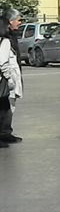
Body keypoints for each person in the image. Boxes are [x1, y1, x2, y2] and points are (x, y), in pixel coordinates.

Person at [0, 8, 23, 147]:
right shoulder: (5, 39)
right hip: (6, 80)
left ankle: (6, 133)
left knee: (7, 107)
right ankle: (3, 134)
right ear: (10, 21)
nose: (20, 23)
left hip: (10, 77)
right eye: (18, 20)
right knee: (5, 107)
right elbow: (3, 62)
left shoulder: (11, 37)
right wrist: (9, 78)